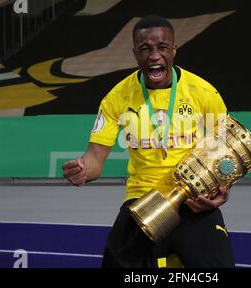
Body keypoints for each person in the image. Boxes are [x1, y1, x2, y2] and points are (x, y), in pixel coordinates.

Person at [62, 15, 235, 268]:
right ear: (135, 53)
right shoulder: (116, 98)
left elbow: (225, 155)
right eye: (145, 49)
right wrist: (83, 169)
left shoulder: (204, 93)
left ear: (174, 49)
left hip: (193, 201)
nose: (154, 56)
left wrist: (222, 191)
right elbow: (95, 159)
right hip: (142, 202)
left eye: (162, 47)